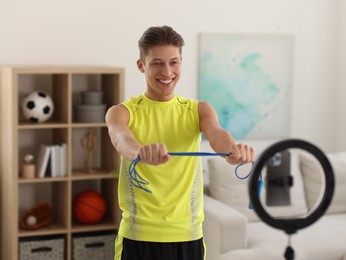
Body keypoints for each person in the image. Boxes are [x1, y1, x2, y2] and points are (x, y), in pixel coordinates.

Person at [105, 25, 255, 260]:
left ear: (181, 63)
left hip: (188, 238)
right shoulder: (121, 112)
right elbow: (121, 138)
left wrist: (233, 150)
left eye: (174, 62)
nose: (167, 71)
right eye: (157, 63)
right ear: (141, 65)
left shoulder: (198, 110)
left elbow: (216, 134)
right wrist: (139, 152)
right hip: (138, 237)